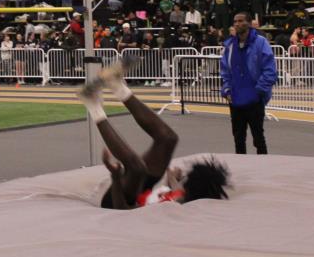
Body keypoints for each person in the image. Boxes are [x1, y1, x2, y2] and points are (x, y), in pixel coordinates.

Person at [78, 59, 230, 210]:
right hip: (143, 190)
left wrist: (116, 177)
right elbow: (178, 189)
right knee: (168, 139)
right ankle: (116, 85)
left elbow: (124, 209)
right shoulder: (180, 194)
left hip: (120, 202)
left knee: (137, 169)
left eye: (185, 178)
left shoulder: (174, 207)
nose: (183, 177)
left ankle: (93, 105)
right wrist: (172, 178)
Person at [219, 12, 277, 155]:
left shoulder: (261, 42)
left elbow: (270, 69)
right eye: (235, 21)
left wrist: (259, 91)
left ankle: (264, 165)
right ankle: (241, 166)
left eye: (241, 21)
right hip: (235, 99)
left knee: (258, 139)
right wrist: (226, 89)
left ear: (249, 24)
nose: (237, 24)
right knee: (238, 139)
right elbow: (225, 70)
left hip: (254, 99)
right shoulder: (229, 45)